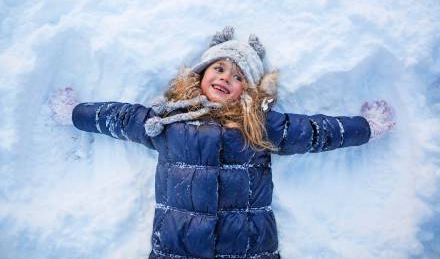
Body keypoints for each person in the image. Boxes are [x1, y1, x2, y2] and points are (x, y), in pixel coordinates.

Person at [48, 26, 396, 258]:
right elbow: (120, 118)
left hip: (246, 247)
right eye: (219, 69)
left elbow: (315, 132)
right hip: (177, 247)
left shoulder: (258, 126)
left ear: (250, 88)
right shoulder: (167, 121)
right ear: (201, 74)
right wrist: (75, 112)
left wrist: (365, 127)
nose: (226, 78)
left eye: (238, 76)